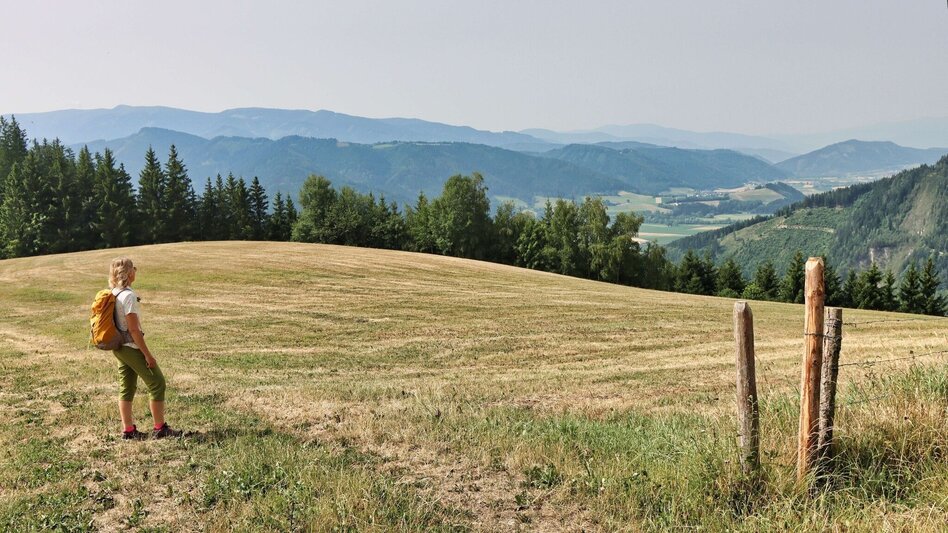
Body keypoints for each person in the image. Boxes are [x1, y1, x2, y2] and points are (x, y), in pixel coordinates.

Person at [108, 257, 183, 440]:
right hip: (130, 347)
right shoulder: (129, 297)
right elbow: (134, 330)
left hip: (118, 347)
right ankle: (160, 428)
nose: (136, 270)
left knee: (126, 387)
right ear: (128, 272)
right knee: (157, 382)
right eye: (134, 268)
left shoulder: (115, 293)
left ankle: (128, 431)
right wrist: (148, 355)